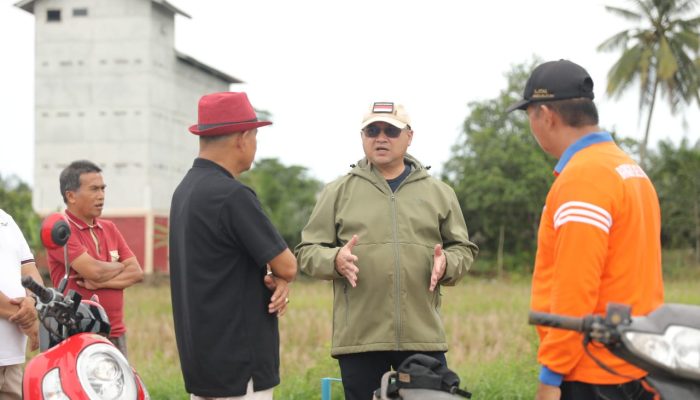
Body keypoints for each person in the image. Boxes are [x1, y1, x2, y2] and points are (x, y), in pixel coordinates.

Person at [295, 101, 479, 400]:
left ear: (409, 136)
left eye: (391, 130)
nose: (381, 137)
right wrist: (334, 260)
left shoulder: (439, 192)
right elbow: (307, 250)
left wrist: (447, 263)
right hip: (360, 337)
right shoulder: (338, 191)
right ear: (362, 137)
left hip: (423, 336)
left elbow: (463, 249)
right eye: (372, 130)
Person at [506, 59, 664, 400]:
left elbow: (575, 289)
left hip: (595, 372)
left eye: (529, 116)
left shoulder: (584, 179)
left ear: (546, 115)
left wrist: (551, 377)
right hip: (637, 363)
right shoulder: (628, 168)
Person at [169, 91, 297, 400]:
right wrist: (278, 276)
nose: (255, 145)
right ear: (242, 137)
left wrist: (267, 274)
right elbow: (288, 265)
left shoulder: (184, 192)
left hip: (202, 364)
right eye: (255, 136)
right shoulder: (232, 196)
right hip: (241, 367)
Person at [47, 160, 144, 358]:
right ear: (71, 196)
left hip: (115, 332)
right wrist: (118, 266)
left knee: (121, 388)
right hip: (77, 334)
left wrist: (99, 283)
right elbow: (93, 271)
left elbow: (136, 272)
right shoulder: (60, 229)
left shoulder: (109, 228)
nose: (101, 196)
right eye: (94, 189)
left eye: (103, 189)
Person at [0, 208, 43, 399]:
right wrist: (28, 320)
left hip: (12, 363)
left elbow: (29, 270)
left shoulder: (5, 219)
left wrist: (33, 301)